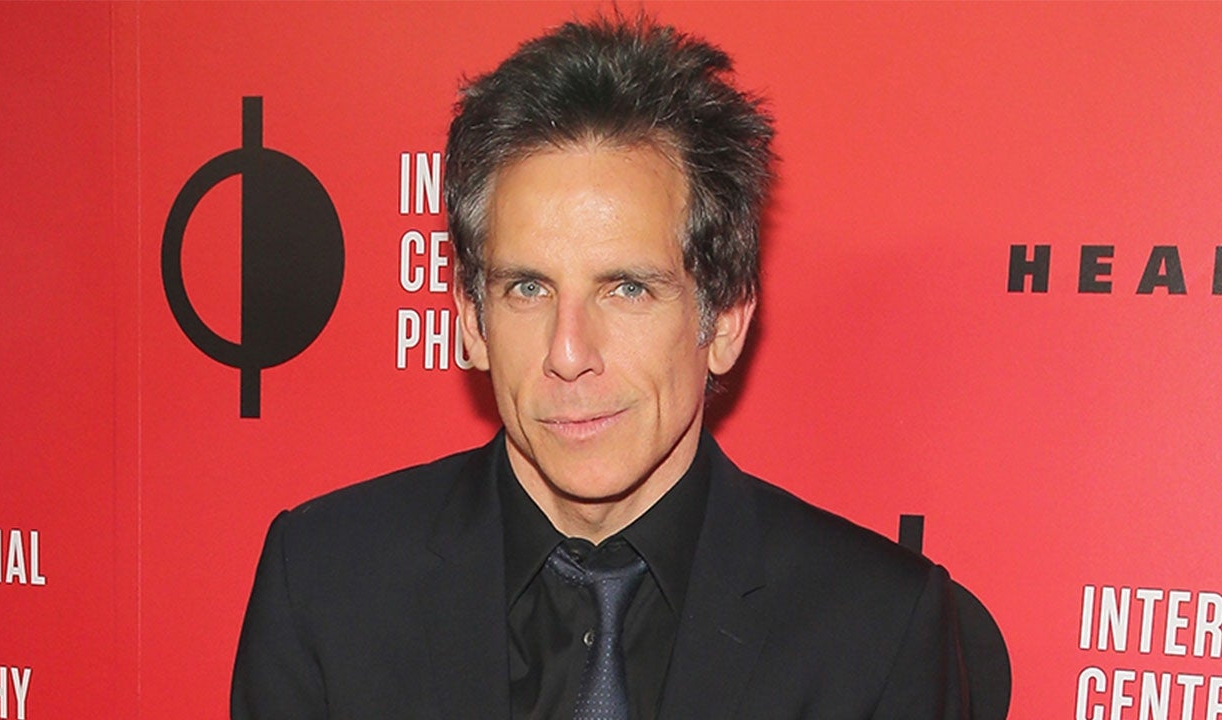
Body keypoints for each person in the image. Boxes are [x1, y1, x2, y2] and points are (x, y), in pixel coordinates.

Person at [232, 15, 968, 720]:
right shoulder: (325, 585)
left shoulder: (878, 632)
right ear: (471, 320)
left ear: (725, 320)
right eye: (528, 288)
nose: (568, 353)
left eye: (627, 289)